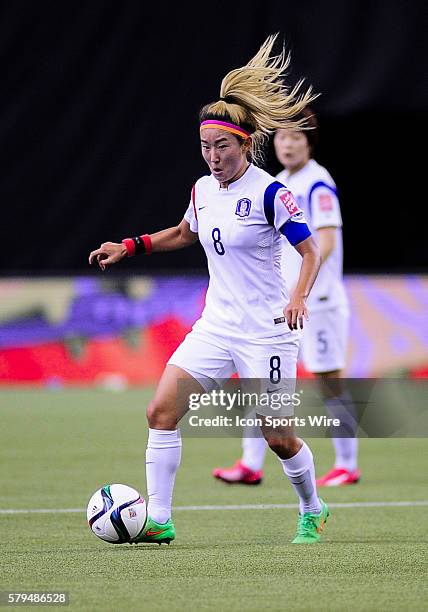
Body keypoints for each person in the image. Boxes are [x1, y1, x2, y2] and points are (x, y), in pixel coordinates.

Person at [89, 35, 329, 544]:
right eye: (205, 146)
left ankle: (312, 506)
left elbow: (310, 251)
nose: (213, 156)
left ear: (245, 144)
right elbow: (182, 234)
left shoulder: (269, 192)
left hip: (267, 332)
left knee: (277, 435)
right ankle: (158, 519)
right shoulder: (202, 189)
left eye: (222, 146)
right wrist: (129, 247)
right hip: (217, 325)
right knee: (160, 411)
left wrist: (298, 296)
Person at [213, 108, 360, 487]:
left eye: (297, 137)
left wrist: (303, 289)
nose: (288, 144)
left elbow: (323, 242)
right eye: (282, 137)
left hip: (319, 300)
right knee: (258, 375)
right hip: (282, 304)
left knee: (330, 379)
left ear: (309, 142)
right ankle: (250, 463)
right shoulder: (274, 183)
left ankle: (347, 461)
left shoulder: (318, 184)